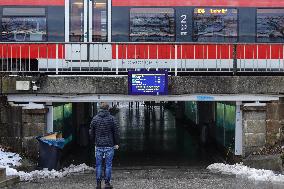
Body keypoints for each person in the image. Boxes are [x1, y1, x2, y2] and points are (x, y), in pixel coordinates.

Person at [90, 102, 120, 189]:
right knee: (108, 165)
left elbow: (91, 132)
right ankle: (107, 184)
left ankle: (98, 184)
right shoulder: (112, 119)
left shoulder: (95, 119)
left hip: (98, 145)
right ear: (108, 109)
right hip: (109, 145)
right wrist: (117, 143)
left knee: (98, 165)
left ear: (100, 108)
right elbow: (116, 132)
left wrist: (93, 141)